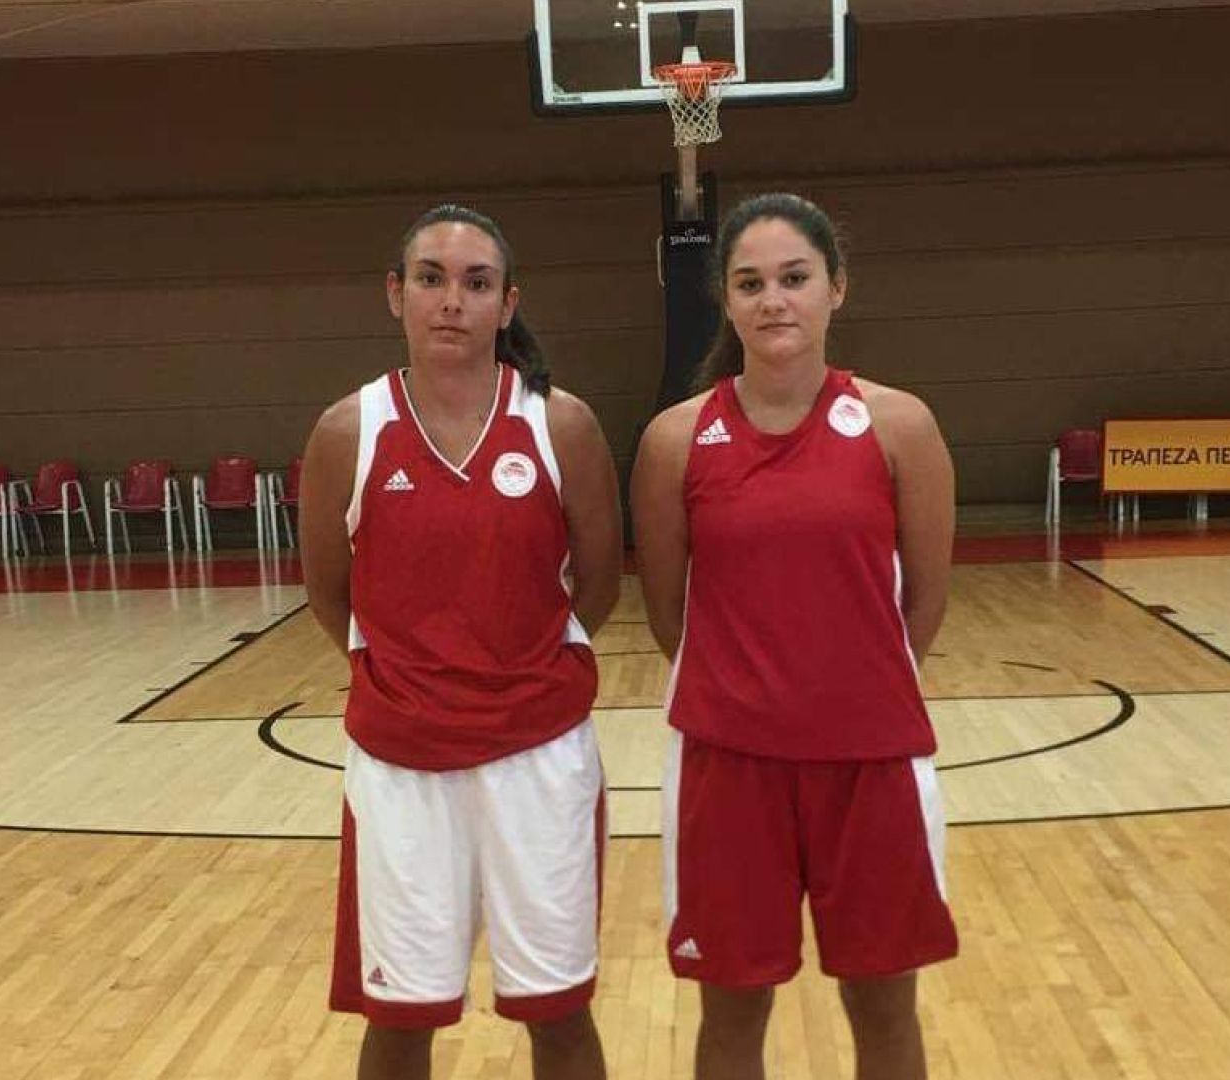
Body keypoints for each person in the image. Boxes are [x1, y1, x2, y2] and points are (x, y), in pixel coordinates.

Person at [629, 193, 958, 1080]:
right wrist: (752, 694)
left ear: (835, 288)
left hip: (873, 763)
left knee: (884, 1006)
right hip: (727, 766)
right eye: (750, 283)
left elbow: (925, 602)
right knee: (733, 1010)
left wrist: (848, 691)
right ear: (726, 300)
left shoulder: (900, 425)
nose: (773, 300)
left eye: (794, 278)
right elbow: (669, 614)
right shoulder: (674, 441)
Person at [299, 204, 621, 1080]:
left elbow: (600, 585)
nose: (452, 301)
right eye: (431, 279)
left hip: (540, 761)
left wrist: (522, 670)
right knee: (400, 1020)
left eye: (477, 283)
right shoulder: (346, 432)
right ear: (394, 293)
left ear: (508, 303)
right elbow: (330, 594)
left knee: (559, 1014)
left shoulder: (562, 426)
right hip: (400, 768)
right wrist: (412, 682)